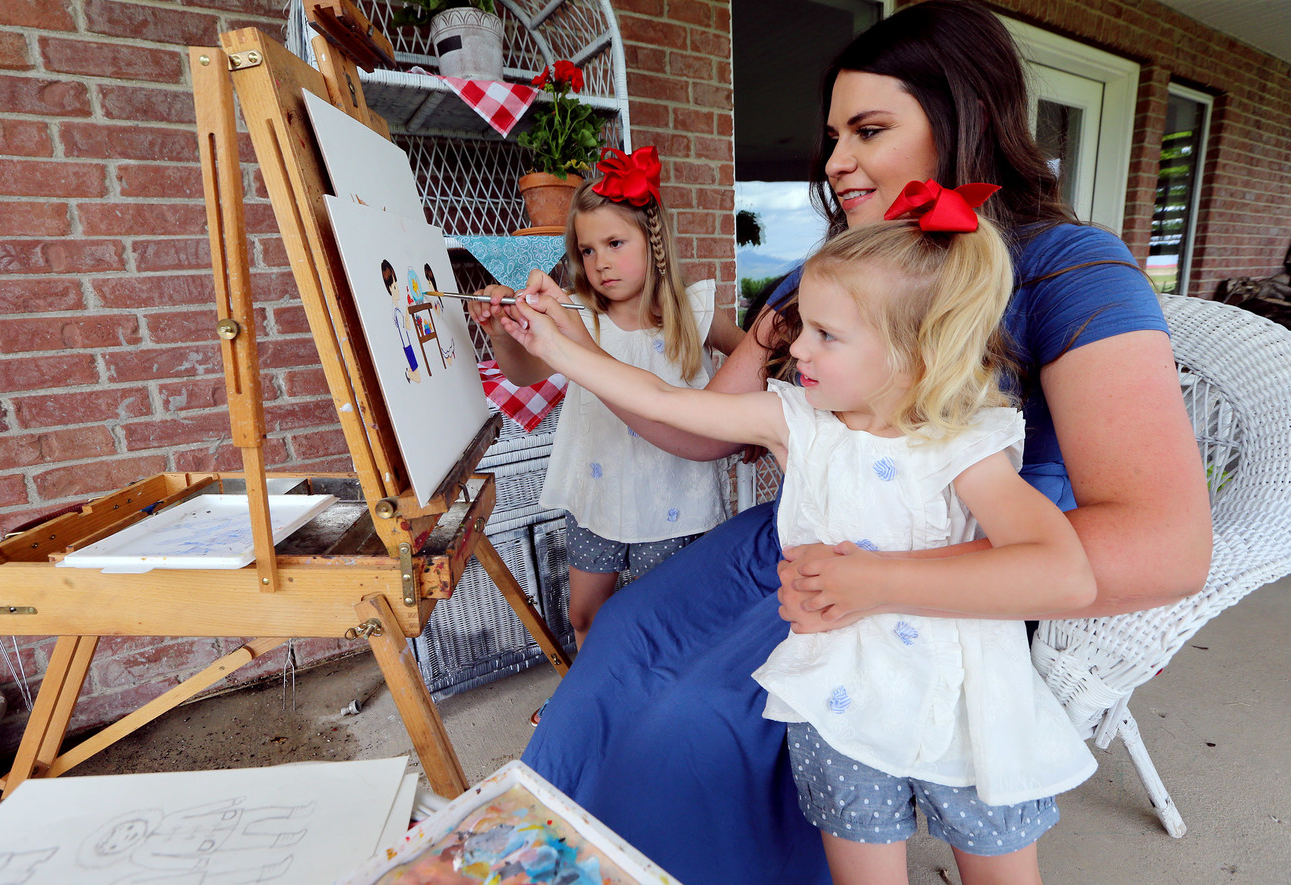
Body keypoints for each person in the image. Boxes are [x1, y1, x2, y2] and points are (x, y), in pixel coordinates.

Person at [515, 2, 1212, 881]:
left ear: (967, 120)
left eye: (869, 129)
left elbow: (1166, 545)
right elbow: (698, 431)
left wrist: (882, 580)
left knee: (695, 723)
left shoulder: (1066, 266)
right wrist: (577, 353)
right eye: (834, 133)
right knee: (618, 642)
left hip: (950, 566)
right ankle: (561, 848)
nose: (836, 161)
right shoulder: (832, 274)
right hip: (794, 540)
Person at [508, 194, 1101, 883]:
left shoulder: (962, 443)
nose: (796, 347)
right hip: (837, 708)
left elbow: (1066, 575)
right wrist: (558, 346)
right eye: (803, 328)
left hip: (970, 710)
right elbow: (667, 402)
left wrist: (872, 582)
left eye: (827, 334)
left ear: (917, 352)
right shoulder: (800, 423)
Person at [469, 145, 745, 653]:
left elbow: (754, 359)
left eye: (615, 243)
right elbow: (524, 372)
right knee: (584, 613)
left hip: (673, 499)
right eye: (588, 250)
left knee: (659, 620)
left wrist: (753, 424)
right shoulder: (577, 316)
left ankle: (646, 709)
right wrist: (503, 332)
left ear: (654, 241)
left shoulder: (696, 312)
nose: (600, 263)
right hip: (595, 495)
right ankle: (591, 695)